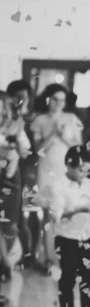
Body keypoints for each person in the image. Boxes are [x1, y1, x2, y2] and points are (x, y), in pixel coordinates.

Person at [50, 145, 90, 307]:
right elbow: (56, 217)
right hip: (67, 238)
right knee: (68, 277)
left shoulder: (88, 184)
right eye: (81, 170)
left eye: (87, 170)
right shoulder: (59, 187)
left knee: (89, 275)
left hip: (85, 236)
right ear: (68, 165)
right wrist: (75, 211)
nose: (84, 173)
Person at [32, 83, 83, 274]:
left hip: (66, 173)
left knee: (68, 214)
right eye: (55, 99)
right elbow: (37, 150)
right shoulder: (39, 120)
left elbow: (78, 148)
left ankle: (69, 259)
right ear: (47, 99)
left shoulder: (72, 118)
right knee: (48, 216)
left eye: (62, 99)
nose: (58, 103)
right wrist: (52, 134)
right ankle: (48, 259)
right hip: (45, 173)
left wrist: (63, 137)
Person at [7, 79, 40, 268]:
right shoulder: (8, 118)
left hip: (30, 171)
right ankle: (16, 253)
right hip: (10, 172)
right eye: (16, 96)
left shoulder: (34, 118)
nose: (20, 100)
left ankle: (31, 254)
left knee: (31, 213)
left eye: (23, 96)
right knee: (14, 214)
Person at [0, 91, 30, 280]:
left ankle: (6, 262)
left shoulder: (16, 125)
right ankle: (4, 263)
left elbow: (25, 152)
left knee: (9, 224)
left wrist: (17, 145)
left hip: (10, 179)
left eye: (2, 105)